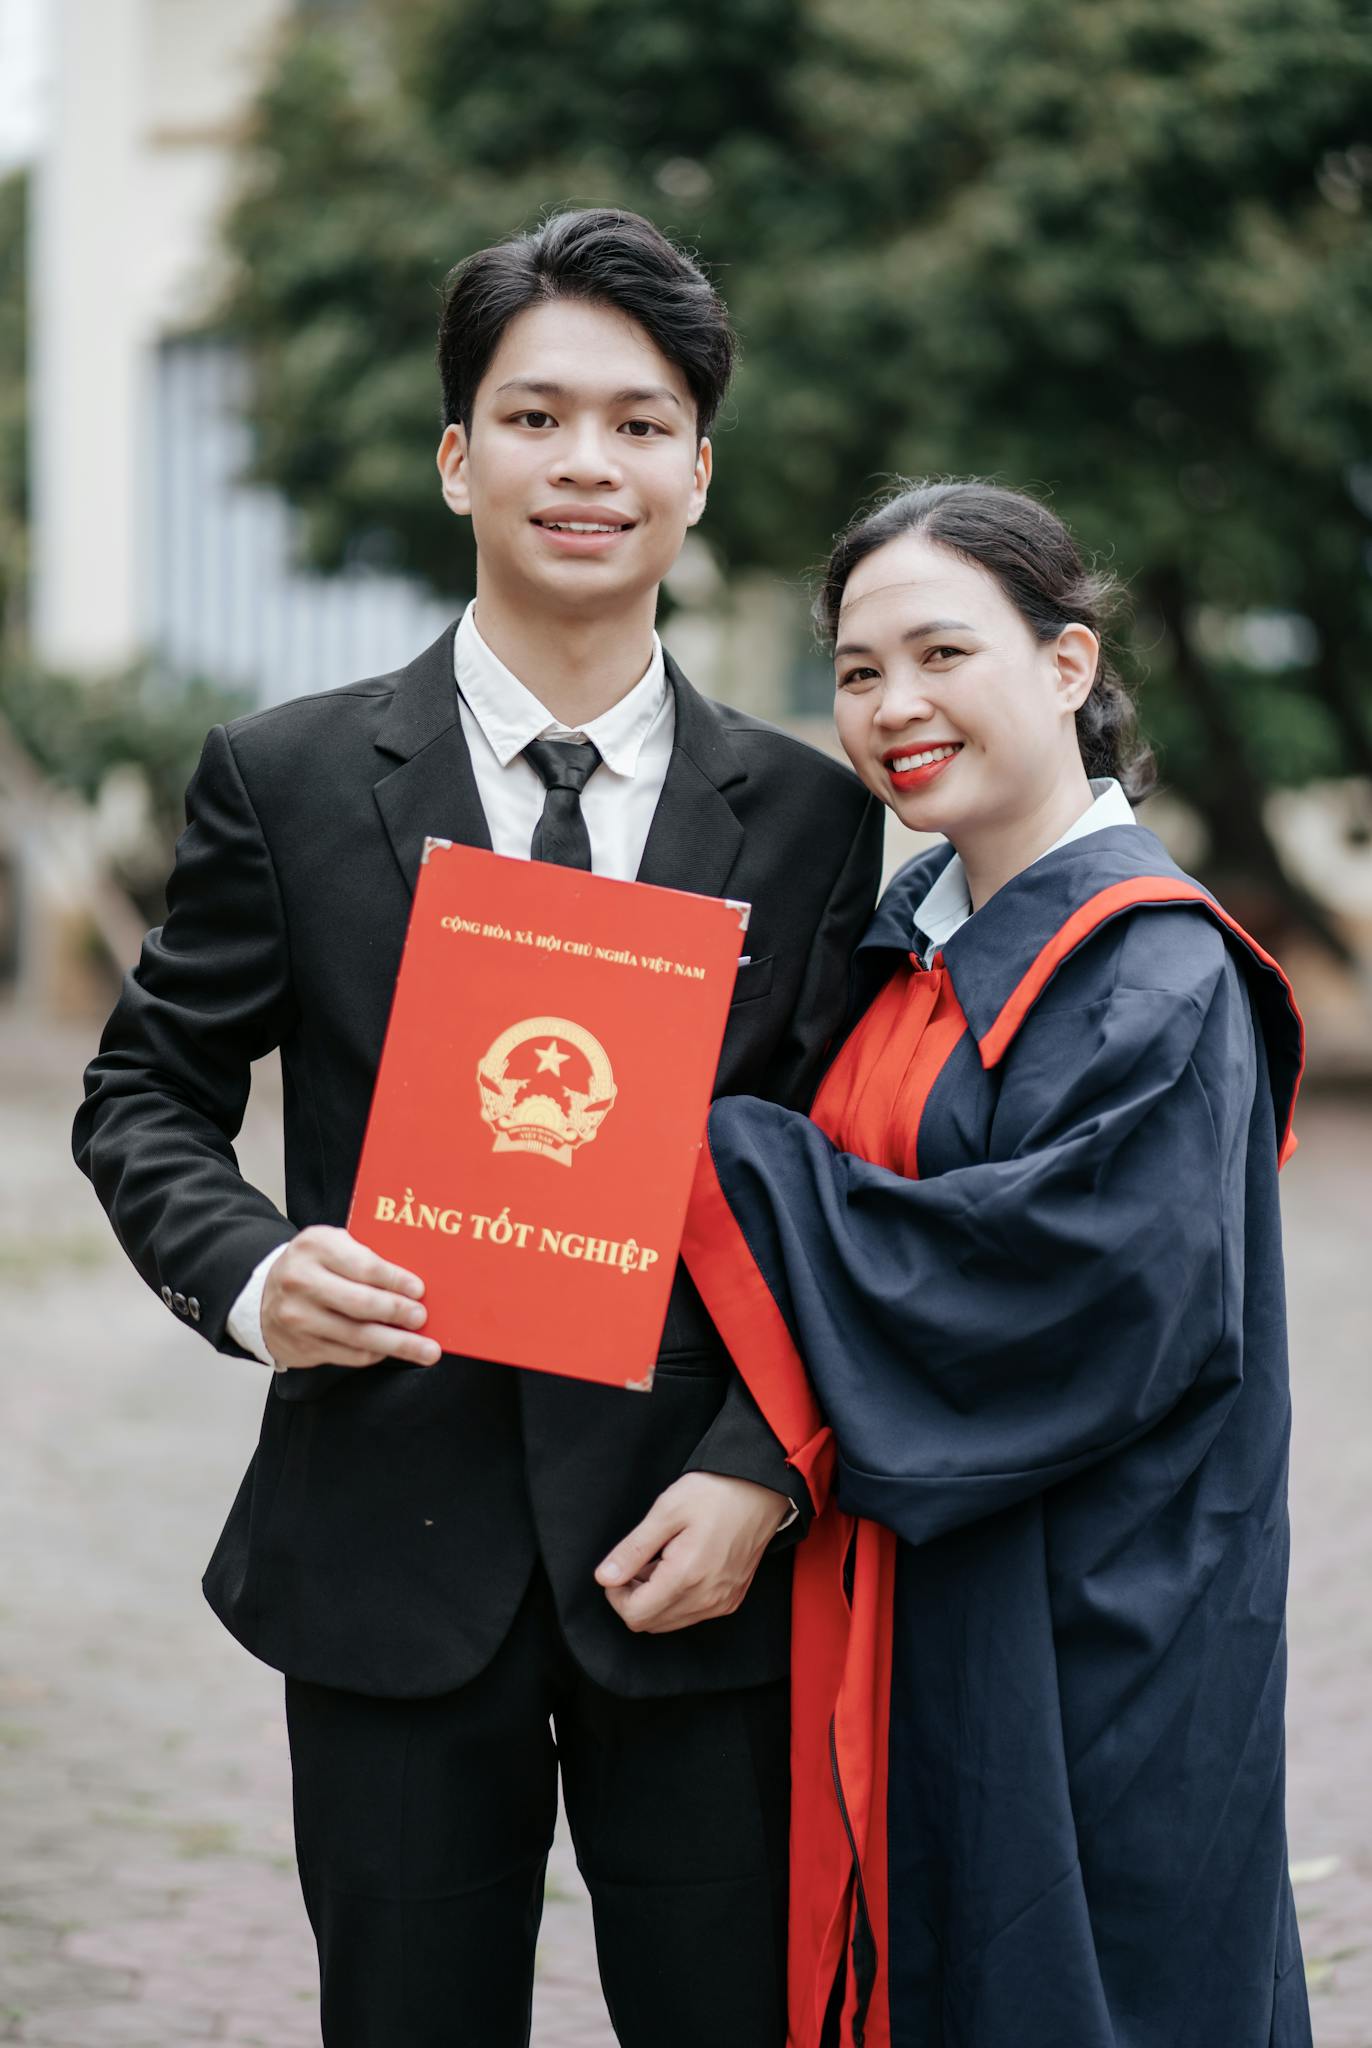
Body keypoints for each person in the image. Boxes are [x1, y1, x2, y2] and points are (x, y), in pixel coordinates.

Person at [73, 208, 884, 2048]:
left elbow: (851, 1184)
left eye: (639, 420)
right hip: (386, 1547)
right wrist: (258, 1270)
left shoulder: (816, 822)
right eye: (534, 417)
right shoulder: (285, 780)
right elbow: (145, 1094)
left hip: (702, 1563)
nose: (585, 462)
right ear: (458, 459)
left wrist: (766, 1467)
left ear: (697, 468)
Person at [681, 480, 1313, 2047]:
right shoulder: (914, 941)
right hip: (911, 1588)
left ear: (1068, 666)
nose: (895, 706)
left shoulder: (1152, 973)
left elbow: (1058, 1291)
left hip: (1086, 1626)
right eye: (855, 668)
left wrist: (707, 1151)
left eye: (942, 653)